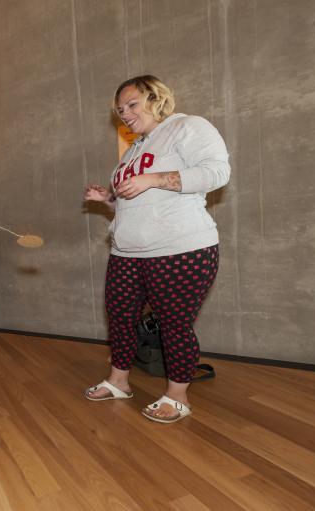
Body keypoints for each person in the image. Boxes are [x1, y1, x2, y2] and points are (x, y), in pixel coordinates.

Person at [83, 75, 230, 423]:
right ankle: (119, 381)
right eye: (120, 110)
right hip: (126, 254)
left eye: (132, 104)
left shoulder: (187, 127)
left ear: (156, 98)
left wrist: (155, 178)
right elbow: (135, 207)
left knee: (173, 324)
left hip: (181, 249)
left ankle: (177, 395)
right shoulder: (133, 150)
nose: (125, 114)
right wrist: (108, 200)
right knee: (119, 319)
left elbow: (217, 172)